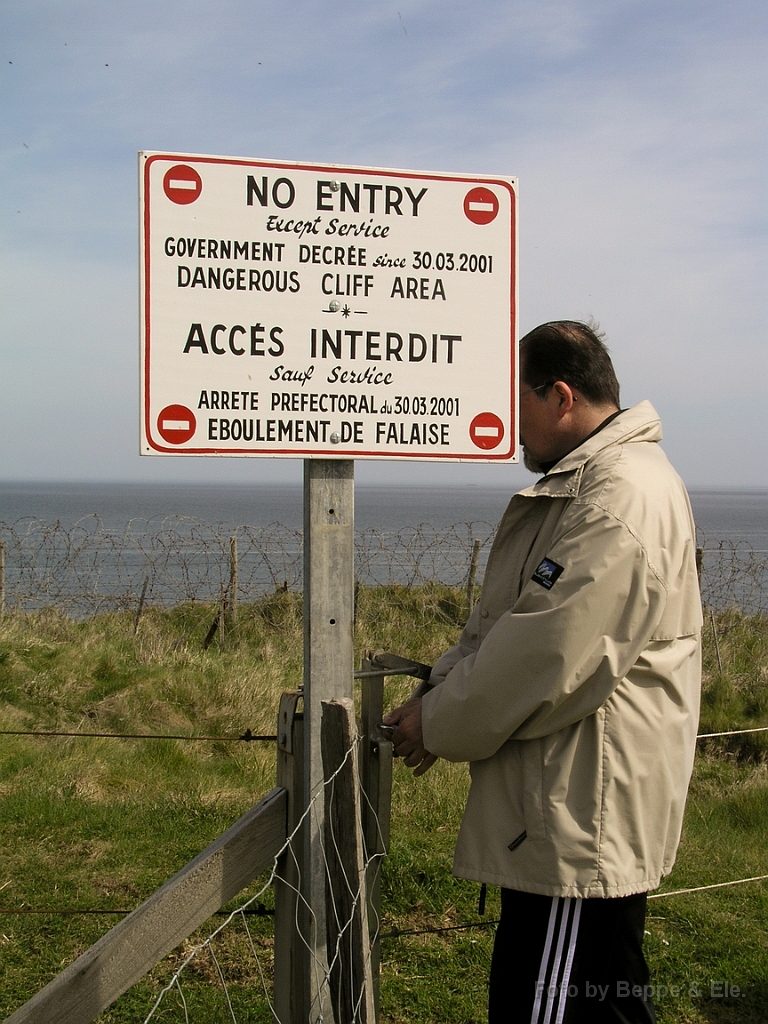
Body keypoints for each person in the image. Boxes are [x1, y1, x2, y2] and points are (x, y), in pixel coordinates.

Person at [384, 321, 702, 1024]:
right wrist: (442, 690)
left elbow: (548, 653)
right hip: (572, 803)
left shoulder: (617, 497)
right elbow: (521, 622)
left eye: (515, 400)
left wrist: (436, 721)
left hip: (578, 814)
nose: (506, 426)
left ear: (559, 396)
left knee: (550, 1007)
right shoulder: (604, 483)